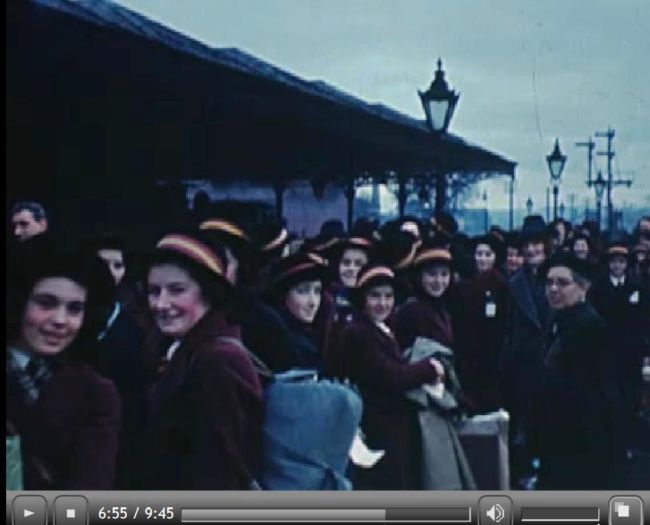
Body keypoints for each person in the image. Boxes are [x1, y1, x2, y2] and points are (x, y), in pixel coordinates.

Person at [135, 231, 263, 489]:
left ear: (208, 292)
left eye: (177, 290)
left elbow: (218, 472)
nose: (161, 304)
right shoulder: (179, 349)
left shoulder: (218, 362)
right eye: (153, 291)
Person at [6, 247, 121, 489]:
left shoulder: (96, 393)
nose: (60, 320)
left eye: (75, 309)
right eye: (46, 303)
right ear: (17, 303)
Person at [336, 263, 445, 489]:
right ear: (363, 299)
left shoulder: (380, 328)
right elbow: (392, 376)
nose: (383, 303)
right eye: (375, 296)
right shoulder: (359, 332)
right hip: (378, 425)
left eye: (388, 296)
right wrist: (430, 367)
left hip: (391, 424)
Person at [535, 253, 623, 489]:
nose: (553, 289)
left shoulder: (589, 325)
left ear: (582, 288)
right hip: (560, 431)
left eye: (562, 283)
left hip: (580, 437)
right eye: (549, 283)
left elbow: (599, 388)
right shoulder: (560, 319)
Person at [501, 215, 552, 488]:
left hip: (554, 362)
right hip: (523, 365)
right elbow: (509, 329)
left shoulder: (559, 277)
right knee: (524, 425)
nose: (531, 250)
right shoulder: (514, 284)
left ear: (545, 246)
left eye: (536, 244)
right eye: (527, 245)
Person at [455, 235, 509, 413]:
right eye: (479, 254)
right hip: (468, 349)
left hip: (493, 350)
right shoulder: (463, 285)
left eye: (487, 254)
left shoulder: (503, 285)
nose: (482, 259)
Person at [264, 251, 330, 373]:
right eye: (302, 291)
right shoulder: (287, 345)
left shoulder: (313, 334)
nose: (313, 302)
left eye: (317, 291)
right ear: (283, 296)